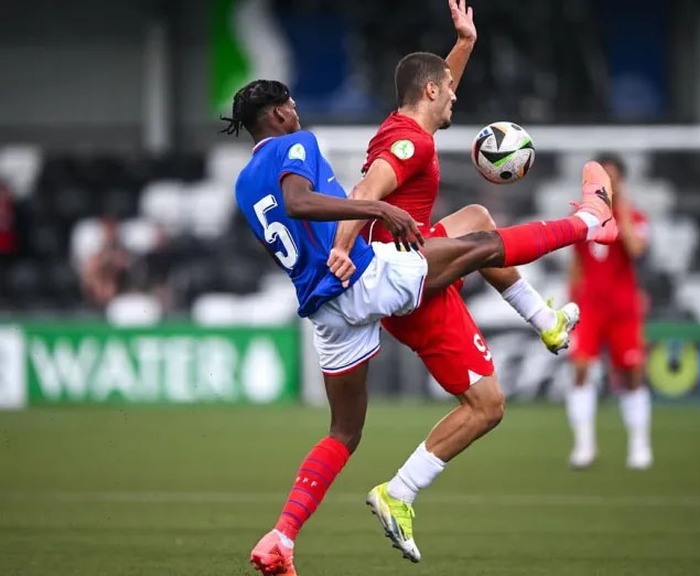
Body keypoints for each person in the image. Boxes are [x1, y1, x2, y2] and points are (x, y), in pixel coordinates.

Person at [221, 78, 616, 576]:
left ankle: (282, 536)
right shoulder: (295, 143)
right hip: (364, 278)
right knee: (484, 245)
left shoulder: (242, 183)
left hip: (324, 309)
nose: (296, 112)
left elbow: (288, 225)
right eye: (291, 105)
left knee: (343, 432)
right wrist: (376, 208)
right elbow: (299, 201)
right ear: (277, 113)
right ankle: (589, 222)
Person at [329, 2, 579, 561]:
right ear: (431, 93)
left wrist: (463, 45)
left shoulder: (405, 125)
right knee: (487, 405)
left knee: (476, 220)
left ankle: (547, 322)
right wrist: (342, 251)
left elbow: (433, 90)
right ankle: (400, 491)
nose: (456, 95)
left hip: (411, 257)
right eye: (450, 87)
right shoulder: (411, 143)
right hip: (411, 287)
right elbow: (365, 193)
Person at [565, 153, 653, 470]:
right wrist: (570, 301)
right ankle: (584, 445)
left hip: (622, 306)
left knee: (631, 373)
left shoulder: (636, 218)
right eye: (604, 176)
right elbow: (576, 266)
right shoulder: (582, 218)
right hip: (589, 306)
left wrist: (623, 210)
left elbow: (635, 250)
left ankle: (639, 444)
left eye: (614, 177)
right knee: (580, 369)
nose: (609, 182)